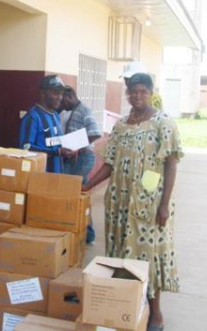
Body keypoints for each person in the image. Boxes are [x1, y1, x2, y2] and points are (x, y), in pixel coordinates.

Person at [84, 72, 182, 331]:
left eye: (143, 91)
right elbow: (110, 162)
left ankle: (155, 313)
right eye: (133, 92)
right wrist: (90, 184)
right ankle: (126, 307)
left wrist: (164, 205)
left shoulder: (163, 122)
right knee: (120, 254)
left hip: (150, 204)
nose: (137, 96)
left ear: (151, 92)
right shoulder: (121, 125)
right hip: (119, 202)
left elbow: (171, 164)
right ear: (127, 93)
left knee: (148, 255)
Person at [59, 86, 102, 244]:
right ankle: (82, 233)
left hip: (83, 158)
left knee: (74, 195)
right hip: (73, 159)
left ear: (70, 96)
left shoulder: (84, 110)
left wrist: (78, 147)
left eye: (63, 100)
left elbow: (96, 133)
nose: (61, 105)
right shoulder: (69, 112)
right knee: (76, 197)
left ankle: (88, 235)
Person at [19, 75, 75, 173]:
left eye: (61, 94)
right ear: (43, 93)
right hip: (40, 176)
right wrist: (56, 152)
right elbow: (26, 147)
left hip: (57, 174)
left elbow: (54, 142)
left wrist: (69, 149)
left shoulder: (55, 115)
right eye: (55, 93)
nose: (60, 98)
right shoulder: (33, 117)